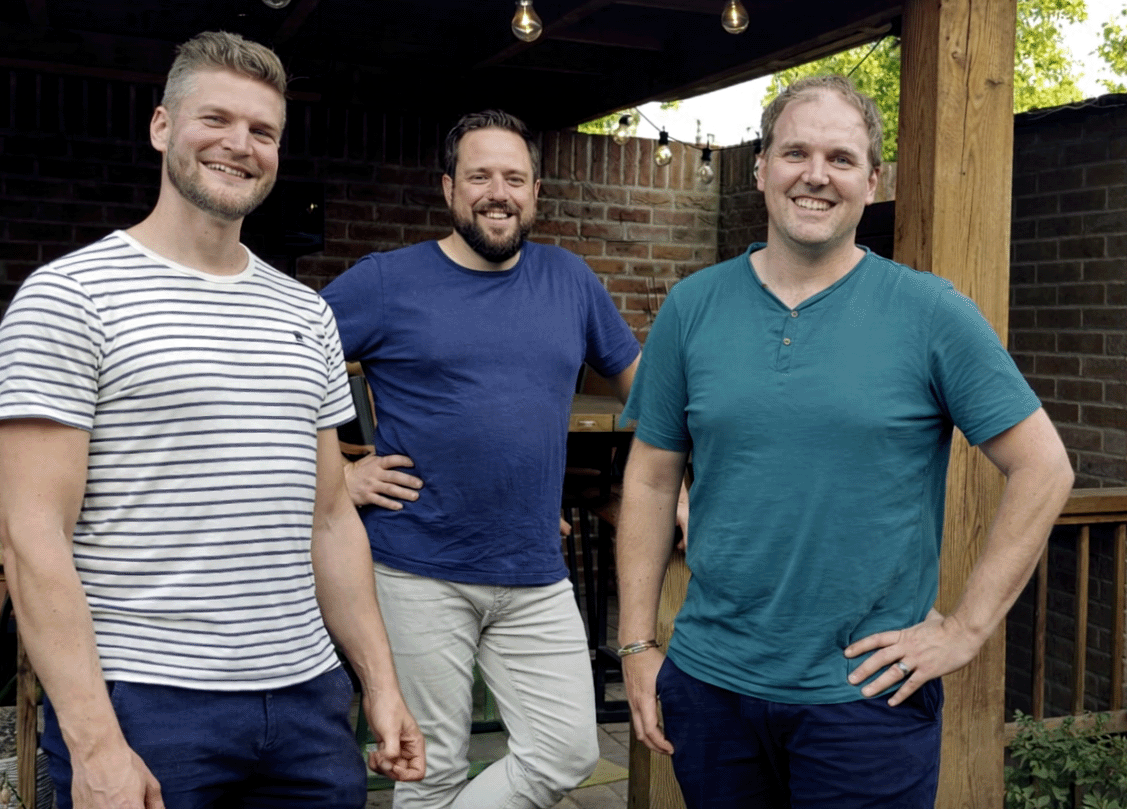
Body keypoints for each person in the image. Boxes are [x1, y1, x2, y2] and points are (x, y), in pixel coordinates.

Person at [0, 31, 424, 809]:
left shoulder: (306, 314)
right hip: (147, 704)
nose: (239, 145)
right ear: (162, 126)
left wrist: (380, 684)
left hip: (308, 703)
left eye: (262, 130)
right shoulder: (69, 298)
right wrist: (95, 744)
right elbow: (33, 537)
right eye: (215, 119)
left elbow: (330, 518)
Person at [615, 74, 1074, 808]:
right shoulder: (692, 306)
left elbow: (1044, 468)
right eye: (795, 152)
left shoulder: (930, 312)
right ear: (761, 168)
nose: (816, 175)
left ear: (872, 181)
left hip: (864, 700)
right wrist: (637, 644)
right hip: (712, 687)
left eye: (841, 158)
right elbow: (650, 476)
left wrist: (965, 629)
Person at [319, 110, 643, 809]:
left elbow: (645, 390)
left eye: (514, 178)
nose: (499, 193)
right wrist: (339, 474)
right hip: (417, 568)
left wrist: (680, 480)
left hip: (533, 567)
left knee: (566, 751)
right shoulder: (386, 281)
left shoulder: (569, 278)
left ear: (536, 192)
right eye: (480, 177)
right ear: (448, 188)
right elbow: (272, 368)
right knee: (429, 768)